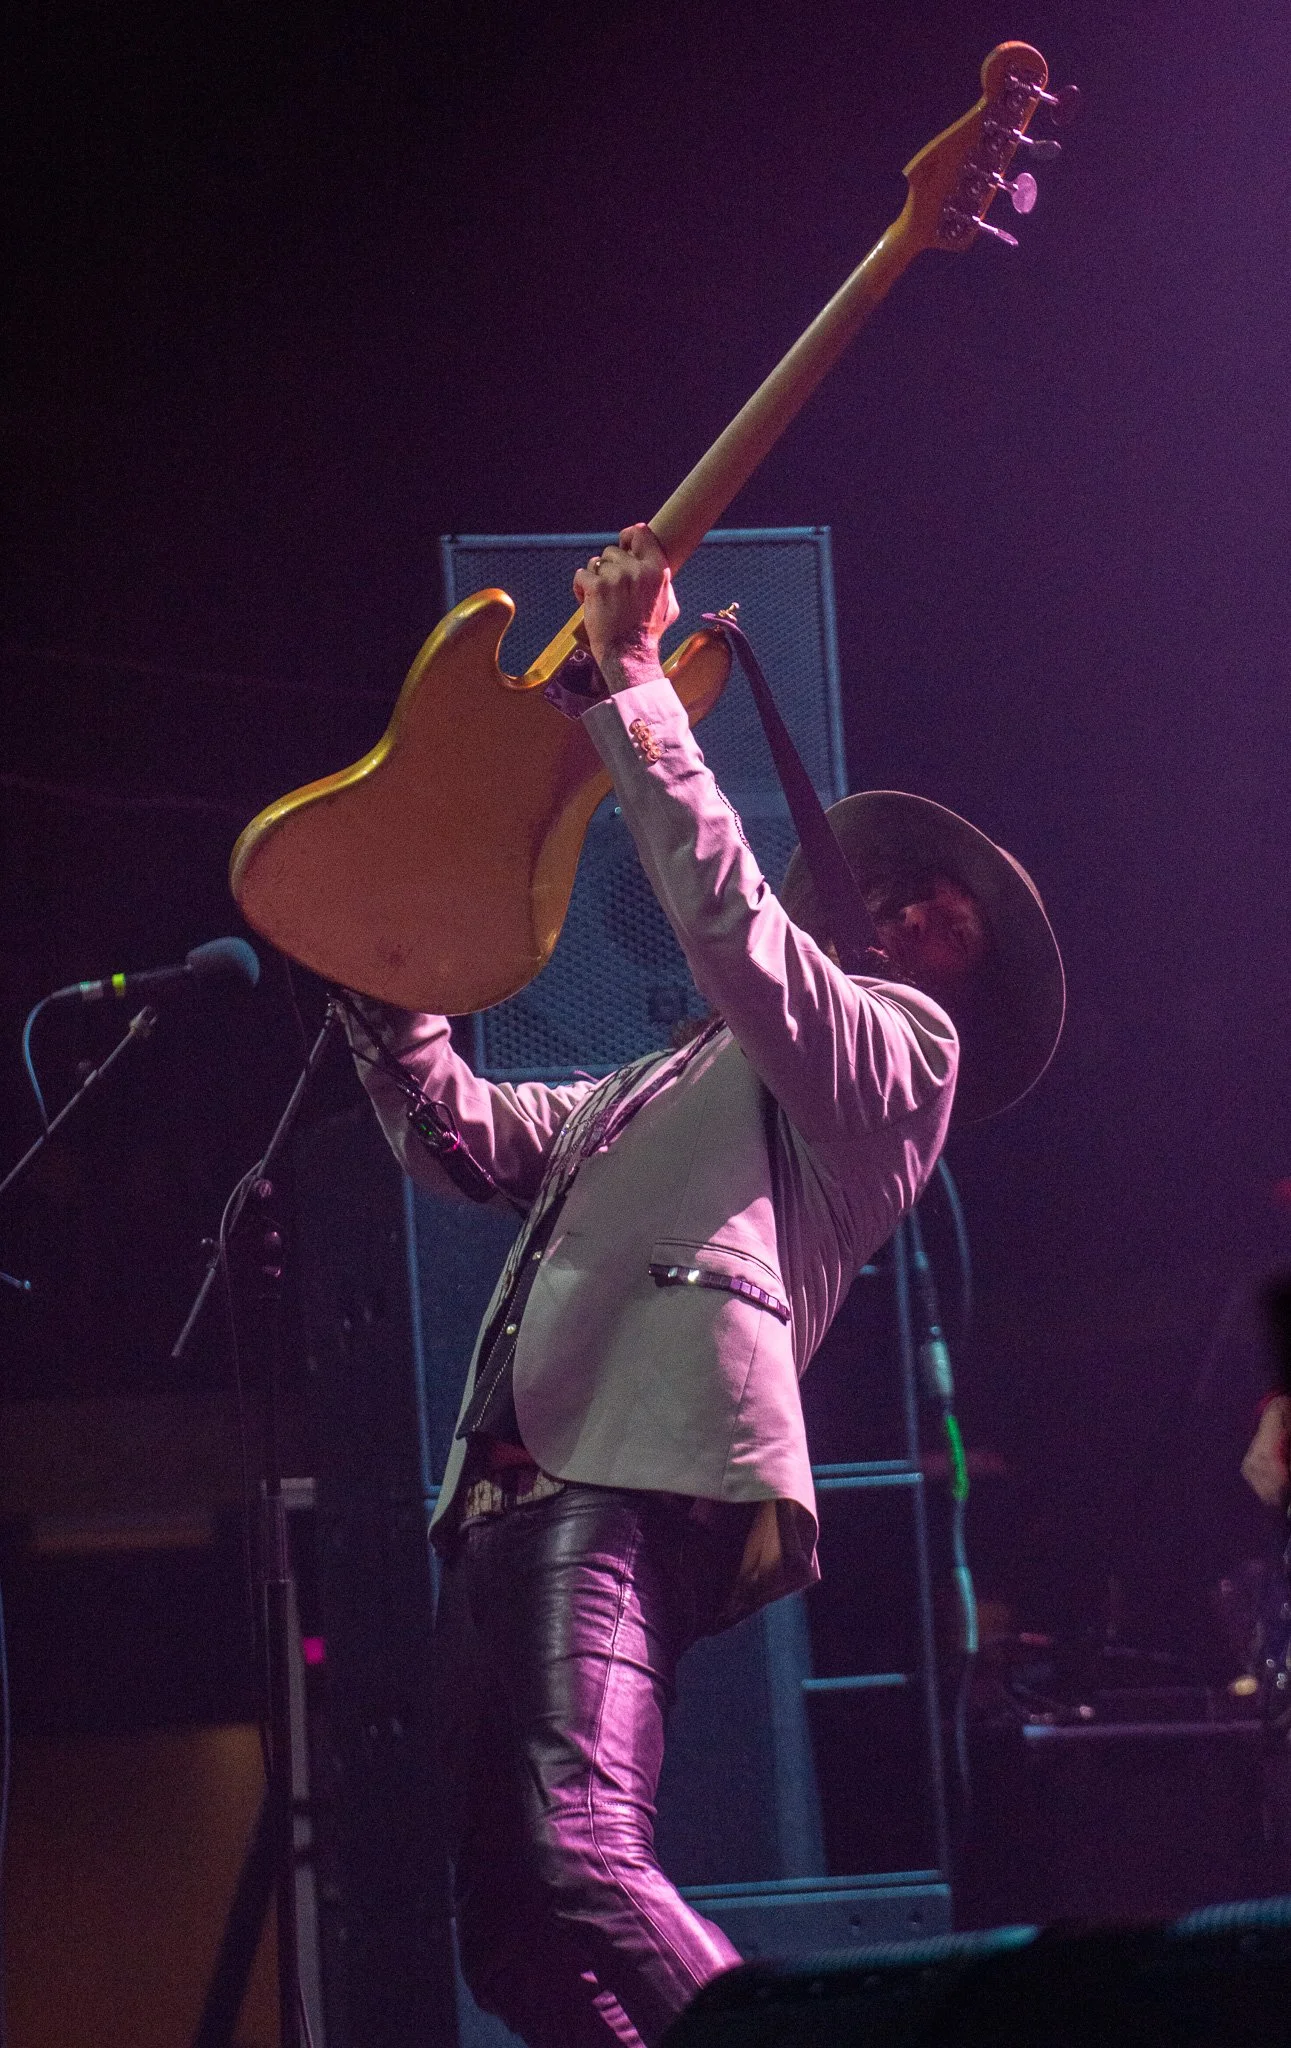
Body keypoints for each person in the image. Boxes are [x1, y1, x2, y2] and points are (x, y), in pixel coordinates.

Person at [343, 524, 1065, 2047]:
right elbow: (468, 1137)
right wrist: (383, 982)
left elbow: (736, 931)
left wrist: (633, 686)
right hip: (513, 1481)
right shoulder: (670, 1080)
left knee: (580, 1855)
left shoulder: (903, 1060)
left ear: (962, 980)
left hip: (636, 1464)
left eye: (940, 920)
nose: (903, 913)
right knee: (510, 1937)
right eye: (898, 892)